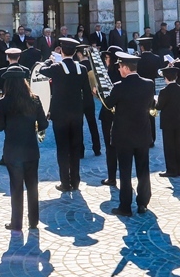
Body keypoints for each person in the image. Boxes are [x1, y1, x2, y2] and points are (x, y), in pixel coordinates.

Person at [0, 72, 49, 231]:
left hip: (12, 150)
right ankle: (34, 221)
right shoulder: (34, 99)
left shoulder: (3, 102)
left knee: (16, 187)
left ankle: (16, 223)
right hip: (31, 149)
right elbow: (44, 124)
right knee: (32, 186)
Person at [106, 52, 156, 216]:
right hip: (142, 133)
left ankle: (125, 206)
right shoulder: (149, 84)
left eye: (120, 66)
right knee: (143, 169)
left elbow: (108, 103)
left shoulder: (119, 86)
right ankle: (143, 203)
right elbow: (150, 103)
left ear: (126, 68)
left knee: (125, 172)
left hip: (124, 136)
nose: (119, 69)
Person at [39, 38, 89, 192]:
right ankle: (75, 180)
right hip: (76, 114)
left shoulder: (56, 67)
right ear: (75, 52)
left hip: (60, 114)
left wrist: (50, 60)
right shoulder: (82, 68)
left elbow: (41, 70)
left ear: (61, 50)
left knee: (62, 148)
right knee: (75, 147)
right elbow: (86, 94)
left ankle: (65, 183)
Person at [98, 46, 123, 186]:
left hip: (109, 113)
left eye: (107, 58)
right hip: (121, 114)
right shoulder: (121, 73)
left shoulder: (109, 74)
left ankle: (112, 177)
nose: (105, 60)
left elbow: (106, 98)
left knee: (110, 147)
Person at [155, 66, 180, 177]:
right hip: (178, 119)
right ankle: (179, 169)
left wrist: (155, 101)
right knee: (178, 145)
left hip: (167, 121)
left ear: (166, 78)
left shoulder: (164, 91)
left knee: (169, 146)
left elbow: (159, 107)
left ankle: (171, 170)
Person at [74, 46, 102, 156]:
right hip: (89, 98)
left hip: (79, 98)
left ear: (80, 54)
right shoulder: (92, 66)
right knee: (93, 124)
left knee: (79, 125)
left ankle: (81, 151)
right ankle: (97, 148)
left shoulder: (77, 66)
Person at [136, 37, 164, 145]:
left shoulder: (137, 59)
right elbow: (159, 74)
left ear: (142, 47)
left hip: (139, 89)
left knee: (141, 114)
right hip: (151, 88)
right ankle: (152, 138)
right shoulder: (156, 58)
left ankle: (143, 137)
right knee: (151, 113)